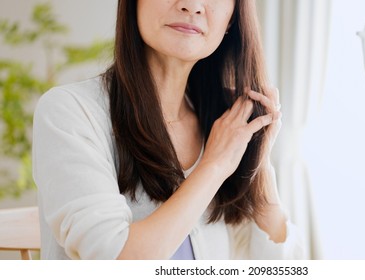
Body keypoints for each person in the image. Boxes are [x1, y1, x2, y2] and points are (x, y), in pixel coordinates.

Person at [32, 0, 306, 260]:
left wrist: (259, 166)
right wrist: (214, 165)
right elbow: (115, 260)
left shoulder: (226, 125)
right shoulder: (70, 111)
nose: (192, 5)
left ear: (232, 17)